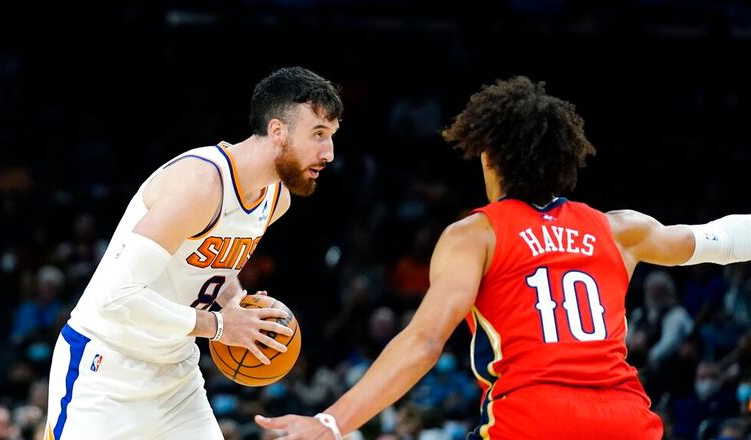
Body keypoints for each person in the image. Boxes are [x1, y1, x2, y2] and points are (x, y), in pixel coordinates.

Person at [255, 76, 751, 439]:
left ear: (488, 158)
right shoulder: (621, 228)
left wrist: (331, 422)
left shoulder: (475, 235)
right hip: (627, 420)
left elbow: (424, 343)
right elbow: (718, 240)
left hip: (532, 419)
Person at [44, 66, 343, 439]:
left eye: (331, 136)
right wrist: (219, 327)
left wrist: (234, 301)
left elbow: (212, 264)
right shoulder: (202, 183)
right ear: (278, 131)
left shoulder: (275, 198)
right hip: (106, 369)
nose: (329, 152)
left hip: (176, 373)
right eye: (318, 134)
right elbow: (115, 298)